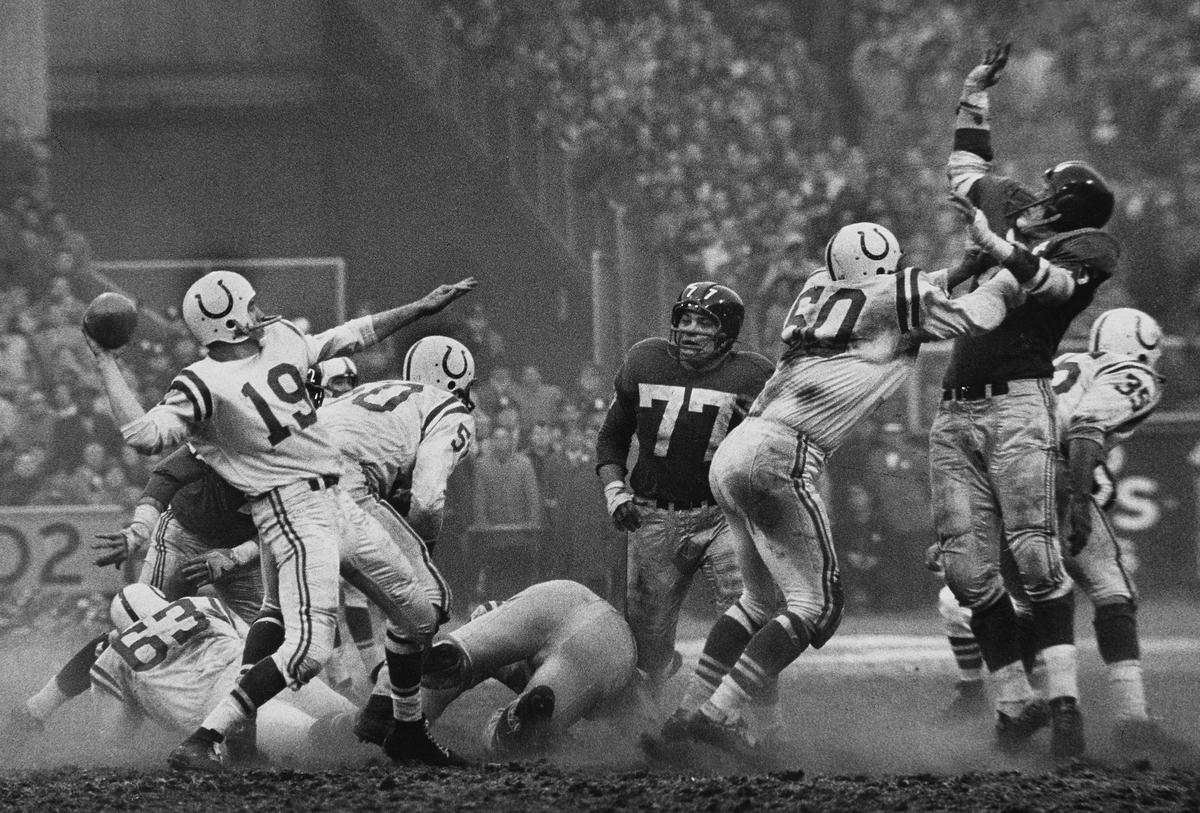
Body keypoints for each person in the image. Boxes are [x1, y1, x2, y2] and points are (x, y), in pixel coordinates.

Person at [642, 216, 1024, 763]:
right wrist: (1010, 275)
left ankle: (685, 713)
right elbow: (973, 315)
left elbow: (901, 289)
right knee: (817, 607)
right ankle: (717, 713)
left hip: (738, 448)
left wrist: (964, 265)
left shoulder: (819, 288)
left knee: (757, 600)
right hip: (784, 452)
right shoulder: (891, 297)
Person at [85, 269, 475, 772]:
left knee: (419, 614)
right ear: (224, 321)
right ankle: (205, 739)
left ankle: (404, 729)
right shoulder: (203, 382)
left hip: (338, 497)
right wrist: (106, 364)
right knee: (309, 649)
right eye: (246, 306)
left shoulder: (281, 340)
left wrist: (419, 307)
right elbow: (144, 435)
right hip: (289, 511)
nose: (257, 311)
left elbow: (351, 335)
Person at [929, 43, 1121, 760]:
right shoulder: (1005, 206)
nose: (1033, 193)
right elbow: (966, 168)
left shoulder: (1089, 247)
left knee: (1038, 560)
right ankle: (1015, 702)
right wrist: (975, 92)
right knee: (966, 570)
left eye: (1050, 189)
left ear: (1068, 204)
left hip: (1017, 403)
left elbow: (1054, 288)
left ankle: (1066, 705)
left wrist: (1000, 250)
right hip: (955, 408)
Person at [933, 309, 1197, 760]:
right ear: (1145, 345)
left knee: (1032, 599)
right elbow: (1085, 431)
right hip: (1050, 475)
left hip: (1001, 472)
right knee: (1111, 587)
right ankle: (1127, 719)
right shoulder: (1131, 373)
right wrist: (1076, 499)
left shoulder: (1069, 362)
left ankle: (1023, 707)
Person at [595, 281, 773, 689]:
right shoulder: (645, 360)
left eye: (703, 322)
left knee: (747, 608)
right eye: (685, 318)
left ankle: (745, 715)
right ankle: (646, 722)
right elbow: (612, 437)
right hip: (652, 515)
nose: (690, 329)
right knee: (647, 645)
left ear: (726, 333)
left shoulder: (753, 375)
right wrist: (614, 489)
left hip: (723, 514)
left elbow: (771, 447)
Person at [313, 336, 477, 745]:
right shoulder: (449, 408)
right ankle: (395, 719)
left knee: (279, 615)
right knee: (430, 599)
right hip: (343, 487)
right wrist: (424, 546)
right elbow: (427, 498)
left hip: (287, 482)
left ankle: (224, 729)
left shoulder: (377, 392)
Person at [9, 584, 356, 765]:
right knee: (357, 721)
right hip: (266, 675)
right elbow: (255, 638)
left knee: (316, 738)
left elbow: (116, 737)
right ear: (162, 599)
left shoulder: (113, 657)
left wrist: (143, 696)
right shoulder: (203, 603)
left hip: (225, 715)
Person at [417, 580, 643, 757]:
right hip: (570, 599)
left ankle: (403, 715)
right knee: (455, 661)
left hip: (598, 644)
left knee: (454, 661)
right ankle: (524, 720)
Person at [90, 442, 263, 625]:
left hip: (243, 542)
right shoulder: (225, 435)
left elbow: (287, 525)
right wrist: (140, 528)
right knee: (145, 619)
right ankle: (103, 650)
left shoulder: (291, 461)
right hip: (185, 531)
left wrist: (237, 556)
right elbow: (168, 474)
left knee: (265, 632)